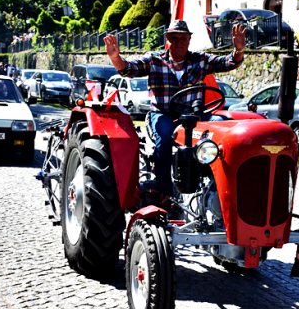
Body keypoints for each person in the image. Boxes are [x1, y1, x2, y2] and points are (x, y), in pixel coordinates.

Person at [104, 19, 247, 201]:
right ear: (167, 40)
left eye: (183, 38)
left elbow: (229, 63)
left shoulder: (200, 60)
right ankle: (165, 193)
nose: (178, 41)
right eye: (174, 38)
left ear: (189, 40)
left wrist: (239, 50)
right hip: (164, 114)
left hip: (194, 115)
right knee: (164, 139)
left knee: (222, 129)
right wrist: (115, 57)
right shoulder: (154, 60)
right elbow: (128, 69)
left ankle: (220, 190)